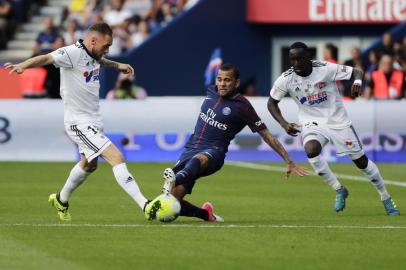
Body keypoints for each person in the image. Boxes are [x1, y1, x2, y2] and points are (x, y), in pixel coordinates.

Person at [4, 22, 160, 221]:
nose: (108, 49)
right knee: (116, 157)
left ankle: (61, 198)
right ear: (93, 40)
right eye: (106, 45)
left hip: (93, 119)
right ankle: (145, 205)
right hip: (78, 122)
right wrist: (22, 65)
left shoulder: (92, 54)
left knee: (89, 164)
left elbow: (100, 61)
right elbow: (47, 57)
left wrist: (117, 65)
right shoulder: (71, 53)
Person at [153, 63, 309, 222]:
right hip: (190, 149)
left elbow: (266, 135)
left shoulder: (243, 106)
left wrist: (289, 160)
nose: (222, 83)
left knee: (198, 160)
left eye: (227, 80)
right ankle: (206, 214)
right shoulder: (211, 91)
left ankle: (176, 179)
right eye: (219, 79)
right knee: (171, 205)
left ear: (237, 82)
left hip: (214, 153)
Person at [267, 42, 400, 215]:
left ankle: (385, 197)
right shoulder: (286, 79)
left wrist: (357, 82)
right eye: (293, 59)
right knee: (311, 150)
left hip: (337, 121)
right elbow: (271, 103)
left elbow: (356, 71)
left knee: (361, 162)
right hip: (311, 122)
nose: (296, 63)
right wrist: (284, 124)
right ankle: (338, 188)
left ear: (309, 57)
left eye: (300, 58)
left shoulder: (325, 69)